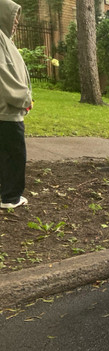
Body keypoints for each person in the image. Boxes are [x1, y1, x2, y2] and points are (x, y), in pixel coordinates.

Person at [0, 0, 32, 209]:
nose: (16, 23)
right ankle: (11, 198)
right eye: (13, 18)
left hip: (7, 109)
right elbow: (4, 74)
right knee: (14, 154)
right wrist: (24, 98)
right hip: (7, 111)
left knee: (7, 153)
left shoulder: (5, 40)